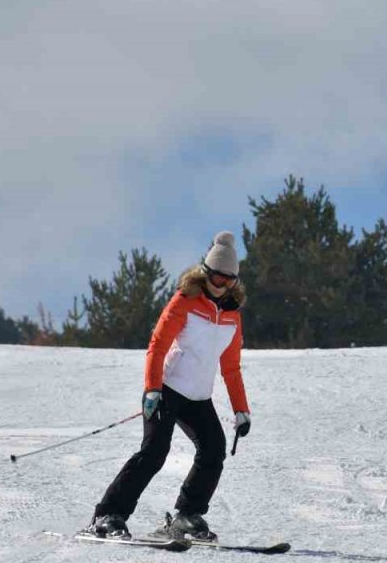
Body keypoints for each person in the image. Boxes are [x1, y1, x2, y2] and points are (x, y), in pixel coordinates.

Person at [86, 231, 252, 541]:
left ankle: (187, 515)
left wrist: (241, 410)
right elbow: (158, 344)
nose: (221, 285)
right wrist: (152, 388)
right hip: (166, 389)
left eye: (228, 280)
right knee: (154, 452)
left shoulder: (232, 315)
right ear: (206, 272)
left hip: (198, 396)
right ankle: (108, 514)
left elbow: (230, 367)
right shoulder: (185, 301)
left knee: (213, 450)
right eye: (216, 277)